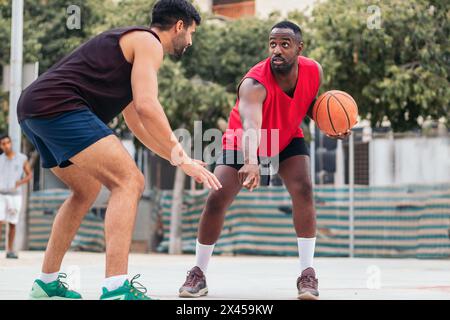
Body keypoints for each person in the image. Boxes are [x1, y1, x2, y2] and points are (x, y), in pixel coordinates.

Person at [18, 0, 222, 300]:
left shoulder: (129, 47)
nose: (190, 40)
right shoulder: (148, 42)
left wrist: (178, 159)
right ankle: (115, 287)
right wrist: (180, 153)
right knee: (130, 181)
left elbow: (137, 121)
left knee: (85, 190)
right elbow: (148, 105)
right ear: (179, 26)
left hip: (34, 109)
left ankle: (46, 283)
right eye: (191, 32)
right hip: (60, 106)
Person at [179, 21, 350, 300]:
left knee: (304, 189)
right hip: (244, 138)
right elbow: (250, 124)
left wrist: (330, 123)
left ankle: (307, 274)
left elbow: (307, 103)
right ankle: (198, 272)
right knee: (216, 198)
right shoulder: (254, 83)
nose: (277, 50)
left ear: (299, 47)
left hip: (285, 136)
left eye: (285, 44)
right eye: (273, 44)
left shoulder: (314, 70)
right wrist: (252, 160)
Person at [0, 134, 33, 259]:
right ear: (1, 146)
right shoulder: (0, 159)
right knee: (0, 221)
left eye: (8, 142)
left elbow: (29, 175)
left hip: (15, 196)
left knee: (12, 223)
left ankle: (10, 250)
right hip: (1, 194)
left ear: (11, 143)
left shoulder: (22, 158)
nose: (6, 145)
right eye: (3, 143)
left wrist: (19, 182)